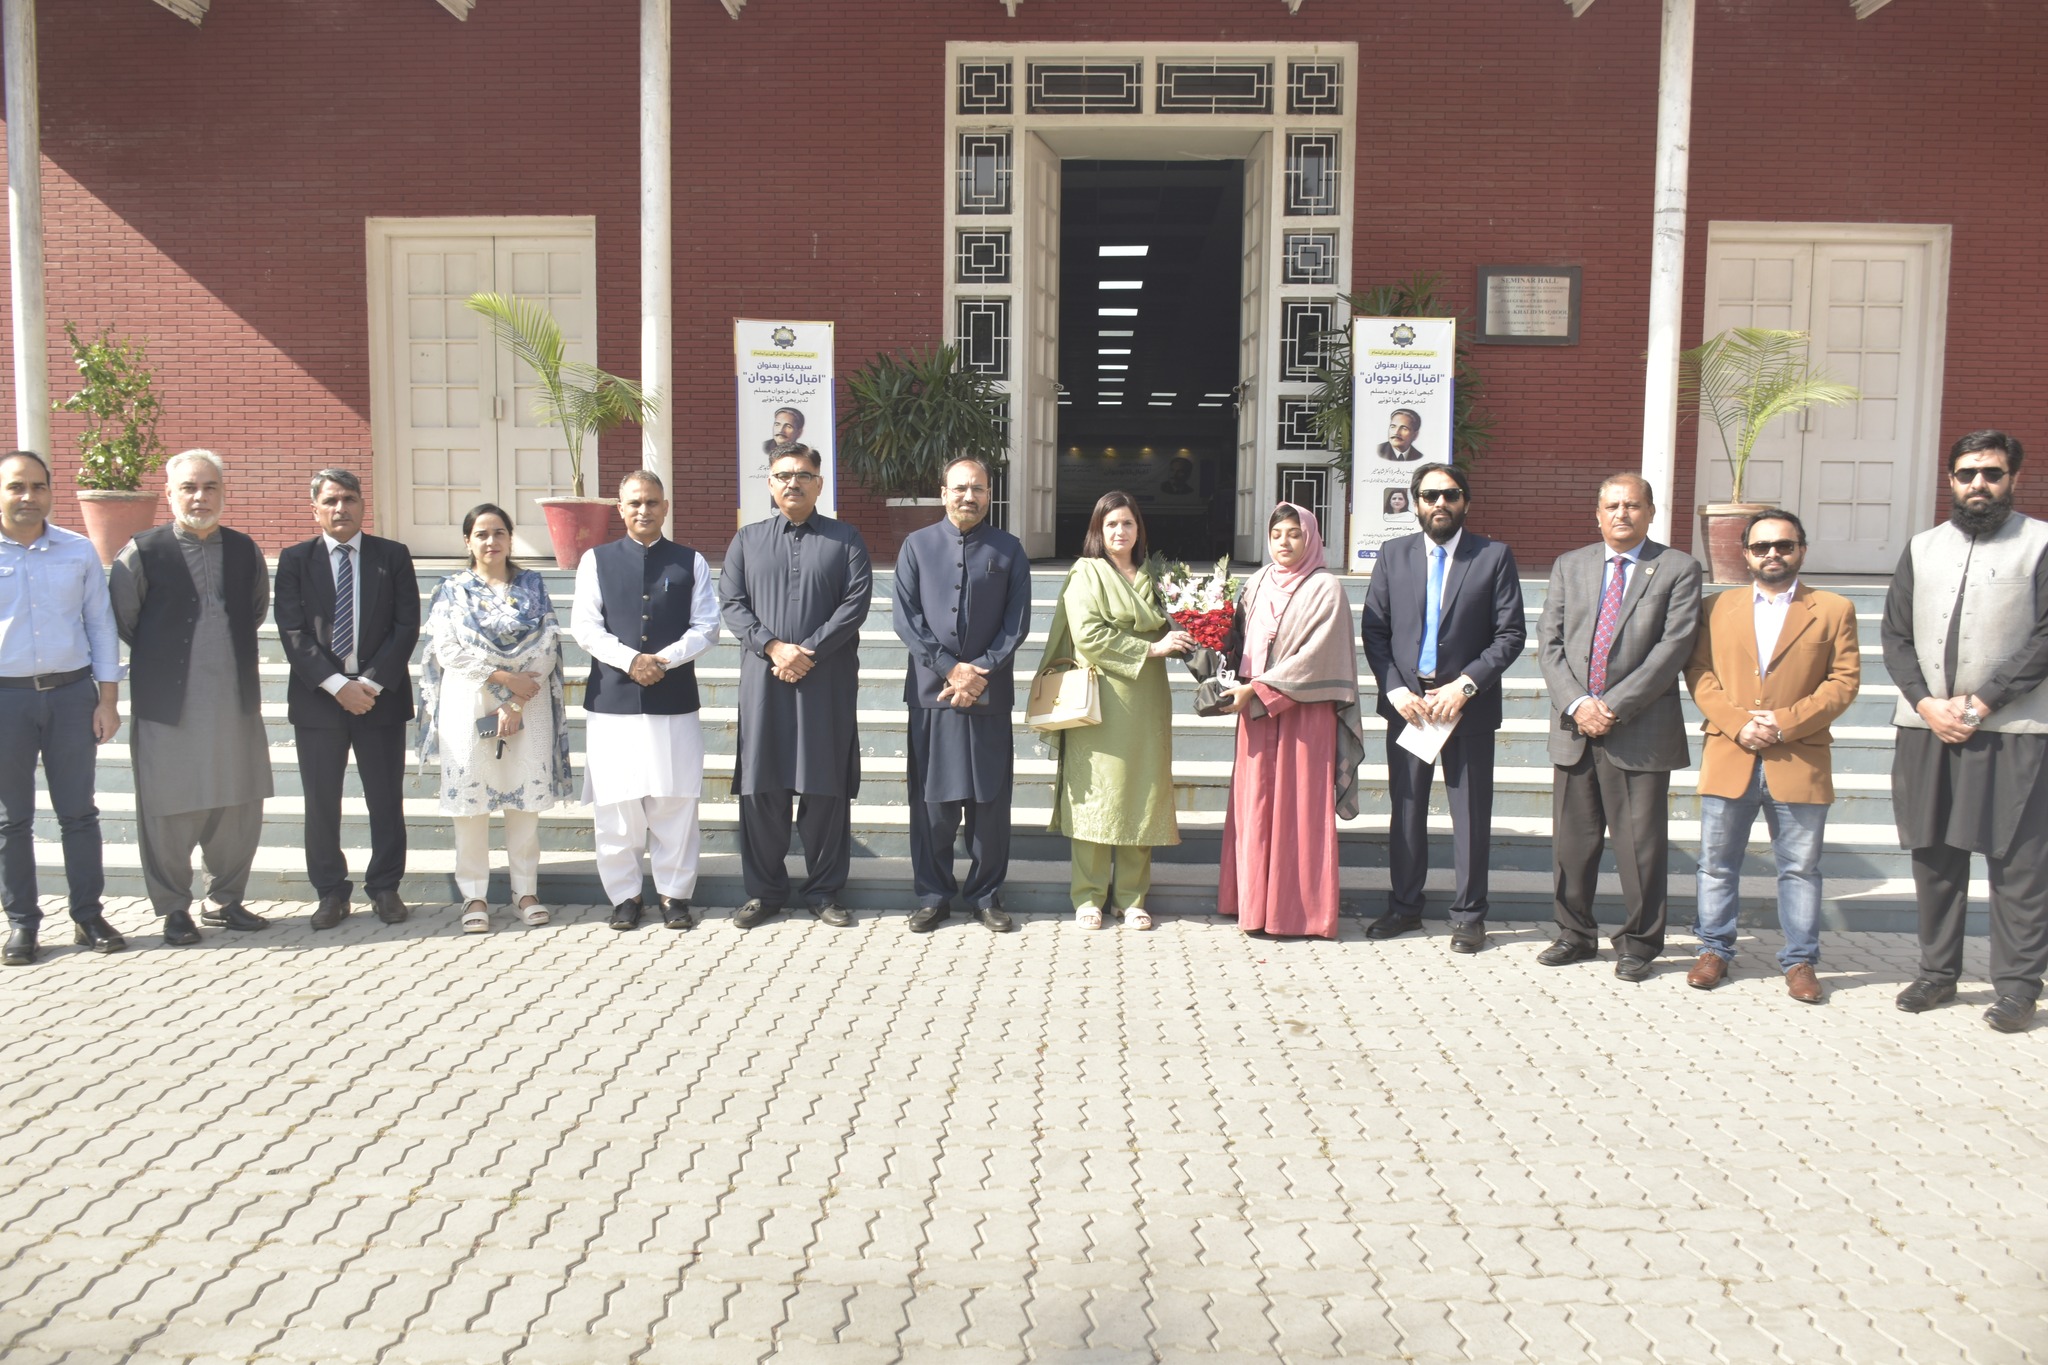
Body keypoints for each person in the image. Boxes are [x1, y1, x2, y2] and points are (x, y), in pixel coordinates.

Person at [1883, 430, 2048, 1034]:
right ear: (1950, 481)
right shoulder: (1922, 547)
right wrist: (1927, 705)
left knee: (2020, 864)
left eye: (1992, 474)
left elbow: (2045, 638)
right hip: (1926, 727)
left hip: (2013, 729)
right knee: (1935, 855)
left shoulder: (2040, 543)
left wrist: (1979, 704)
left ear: (2013, 480)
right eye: (1966, 473)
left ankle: (2017, 987)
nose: (1978, 483)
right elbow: (1896, 637)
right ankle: (1937, 973)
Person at [1683, 509, 1860, 1003]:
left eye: (1783, 545)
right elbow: (1699, 673)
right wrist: (1739, 723)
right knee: (1717, 864)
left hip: (1798, 755)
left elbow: (1843, 683)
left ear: (1801, 549)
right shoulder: (1716, 607)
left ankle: (1800, 961)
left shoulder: (1833, 608)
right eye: (1761, 547)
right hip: (1729, 750)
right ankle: (1714, 949)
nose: (1772, 554)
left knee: (1800, 868)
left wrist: (1784, 721)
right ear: (1745, 554)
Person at [1536, 473, 1702, 981]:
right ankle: (1574, 933)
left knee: (1640, 848)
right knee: (1572, 845)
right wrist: (1578, 703)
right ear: (1597, 512)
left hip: (1639, 730)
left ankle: (1640, 943)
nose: (1621, 514)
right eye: (1611, 505)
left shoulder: (1677, 568)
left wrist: (1611, 706)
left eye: (1632, 505)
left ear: (1651, 512)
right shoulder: (1571, 565)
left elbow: (1672, 649)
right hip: (1574, 729)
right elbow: (1550, 641)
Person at [108, 450, 274, 947]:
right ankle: (175, 908)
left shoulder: (246, 551)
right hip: (168, 703)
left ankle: (225, 901)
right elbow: (126, 618)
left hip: (233, 699)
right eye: (189, 488)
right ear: (170, 493)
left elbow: (256, 609)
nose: (200, 497)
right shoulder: (141, 551)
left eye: (209, 487)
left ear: (224, 493)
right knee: (168, 805)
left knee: (237, 801)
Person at [1360, 463, 1525, 952]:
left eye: (1450, 495)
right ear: (1414, 503)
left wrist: (1465, 687)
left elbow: (1510, 634)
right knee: (1407, 809)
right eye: (1429, 495)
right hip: (1409, 706)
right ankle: (1405, 907)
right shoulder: (1394, 555)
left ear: (1465, 502)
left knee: (1470, 815)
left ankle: (1469, 915)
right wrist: (1395, 690)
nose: (1439, 503)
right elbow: (1376, 631)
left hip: (1465, 707)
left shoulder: (1493, 556)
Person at [720, 446, 873, 928]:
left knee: (824, 786)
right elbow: (732, 602)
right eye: (783, 475)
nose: (793, 483)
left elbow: (855, 604)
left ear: (819, 484)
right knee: (762, 785)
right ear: (769, 483)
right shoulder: (747, 541)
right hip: (764, 681)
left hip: (825, 681)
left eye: (804, 475)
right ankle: (765, 893)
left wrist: (805, 651)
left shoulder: (846, 539)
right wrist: (773, 648)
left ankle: (825, 891)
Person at [572, 472, 720, 932]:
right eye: (635, 502)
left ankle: (675, 895)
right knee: (617, 804)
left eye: (652, 502)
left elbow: (706, 626)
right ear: (620, 507)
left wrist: (664, 659)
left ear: (666, 506)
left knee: (675, 801)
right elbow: (585, 626)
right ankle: (625, 896)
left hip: (673, 699)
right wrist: (632, 660)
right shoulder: (594, 560)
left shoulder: (689, 561)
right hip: (613, 701)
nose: (644, 510)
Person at [274, 468, 421, 930]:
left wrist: (370, 684)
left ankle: (385, 887)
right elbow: (292, 631)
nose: (342, 508)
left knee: (385, 798)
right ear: (314, 508)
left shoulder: (392, 556)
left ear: (363, 504)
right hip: (320, 700)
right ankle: (331, 893)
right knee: (321, 801)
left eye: (350, 499)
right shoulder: (296, 559)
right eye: (332, 500)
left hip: (381, 697)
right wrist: (339, 686)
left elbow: (406, 626)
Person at [1041, 491, 1194, 930]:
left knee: (1140, 792)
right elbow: (1088, 635)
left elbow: (1184, 622)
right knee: (1095, 794)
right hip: (1099, 696)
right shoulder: (1085, 573)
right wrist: (1153, 647)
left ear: (1138, 530)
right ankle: (1088, 897)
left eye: (1127, 523)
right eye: (1111, 524)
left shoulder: (1158, 576)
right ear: (1098, 530)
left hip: (1146, 698)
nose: (1120, 531)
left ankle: (1131, 898)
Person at [419, 503, 575, 933]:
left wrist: (516, 701)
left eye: (499, 533)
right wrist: (502, 679)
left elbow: (548, 643)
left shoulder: (532, 585)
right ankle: (474, 896)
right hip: (469, 701)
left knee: (523, 804)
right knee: (471, 807)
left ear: (510, 538)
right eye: (482, 534)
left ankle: (526, 891)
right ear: (467, 541)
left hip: (529, 701)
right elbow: (448, 649)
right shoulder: (451, 590)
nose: (491, 541)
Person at [892, 455, 1031, 934]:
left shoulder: (1009, 549)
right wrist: (952, 669)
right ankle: (933, 894)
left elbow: (1017, 625)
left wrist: (981, 673)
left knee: (990, 802)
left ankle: (986, 894)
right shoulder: (916, 545)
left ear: (989, 494)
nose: (968, 496)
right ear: (943, 491)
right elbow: (905, 619)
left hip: (988, 697)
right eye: (959, 488)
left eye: (978, 488)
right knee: (932, 804)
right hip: (934, 695)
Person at [1214, 503, 1364, 939]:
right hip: (1255, 711)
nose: (1284, 541)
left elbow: (1318, 657)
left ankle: (1299, 913)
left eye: (1294, 534)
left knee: (1299, 807)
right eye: (1277, 533)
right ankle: (1253, 904)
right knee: (1255, 804)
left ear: (1311, 539)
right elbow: (1237, 638)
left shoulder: (1326, 588)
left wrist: (1257, 689)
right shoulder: (1255, 583)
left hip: (1305, 712)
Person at [0, 451, 123, 966]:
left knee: (79, 813)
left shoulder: (77, 552)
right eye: (16, 487)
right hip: (6, 700)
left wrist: (109, 699)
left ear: (51, 491)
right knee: (12, 820)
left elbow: (100, 625)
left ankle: (87, 915)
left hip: (73, 697)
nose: (28, 496)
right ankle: (23, 924)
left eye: (37, 486)